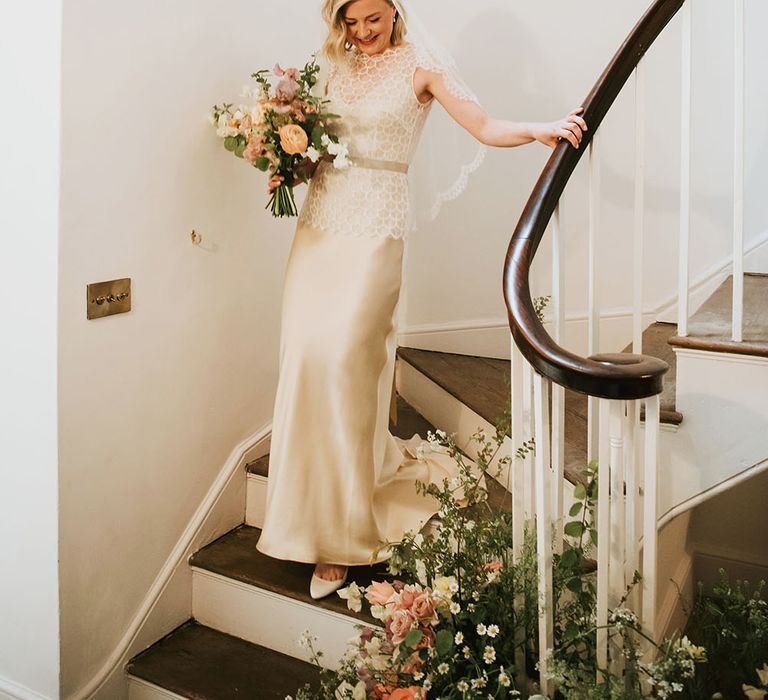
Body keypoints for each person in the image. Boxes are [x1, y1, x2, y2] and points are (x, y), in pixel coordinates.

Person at [255, 0, 587, 599]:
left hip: (375, 227)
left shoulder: (424, 66)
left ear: (394, 9)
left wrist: (538, 128)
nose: (361, 33)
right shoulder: (329, 65)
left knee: (345, 363)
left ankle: (339, 537)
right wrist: (281, 159)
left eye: (372, 20)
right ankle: (303, 516)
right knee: (304, 356)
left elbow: (483, 127)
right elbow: (315, 151)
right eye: (350, 23)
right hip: (320, 224)